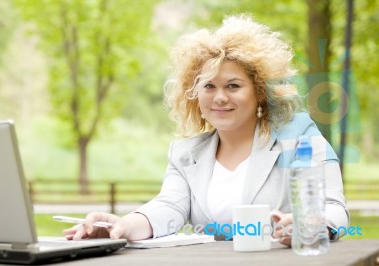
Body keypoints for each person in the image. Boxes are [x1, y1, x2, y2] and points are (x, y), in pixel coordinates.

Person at [63, 15, 349, 246]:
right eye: (209, 86)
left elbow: (334, 208)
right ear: (195, 94)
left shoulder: (299, 134)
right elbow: (169, 208)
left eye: (233, 86)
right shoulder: (186, 152)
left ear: (260, 91)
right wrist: (122, 225)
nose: (219, 97)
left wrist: (308, 223)